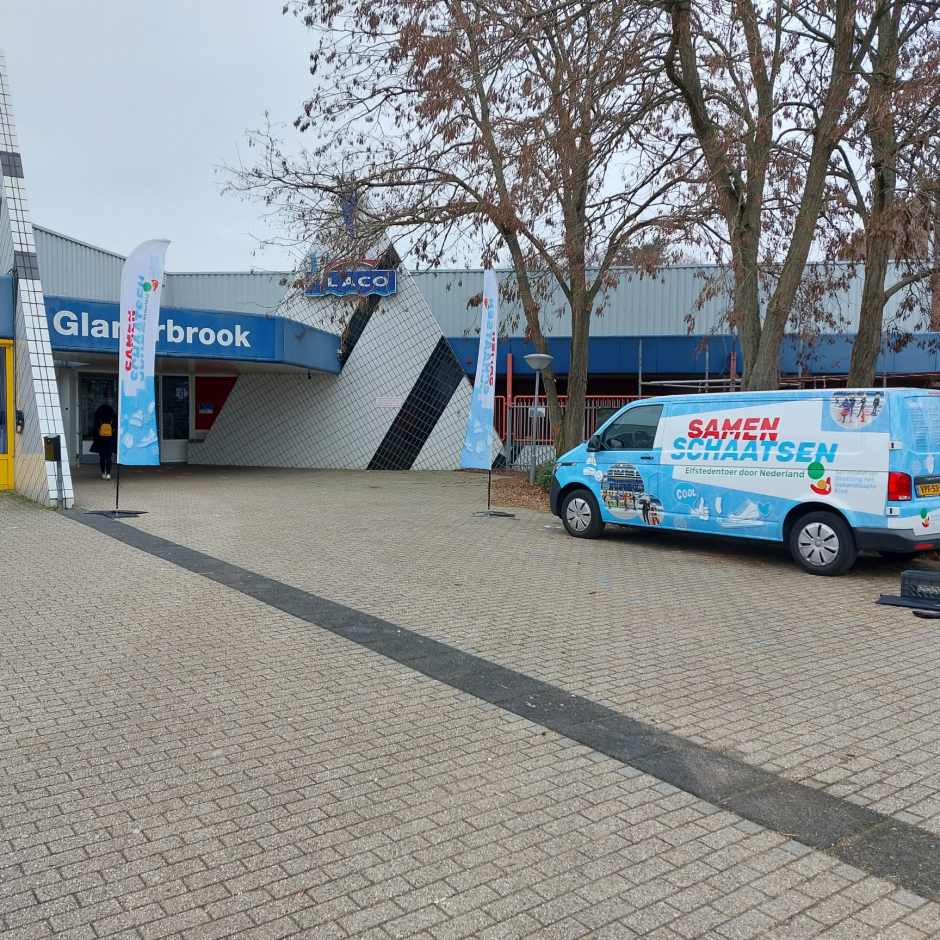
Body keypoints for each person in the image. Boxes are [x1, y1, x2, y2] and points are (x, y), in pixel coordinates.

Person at [90, 401, 117, 480]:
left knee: (102, 457)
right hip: (110, 439)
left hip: (100, 439)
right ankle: (108, 473)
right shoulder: (112, 415)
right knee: (108, 457)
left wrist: (95, 438)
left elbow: (95, 428)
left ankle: (103, 473)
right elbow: (115, 427)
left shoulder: (98, 415)